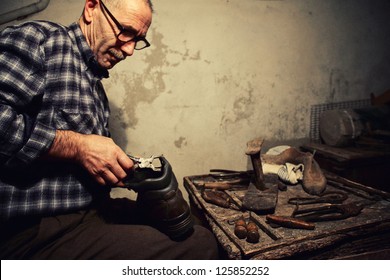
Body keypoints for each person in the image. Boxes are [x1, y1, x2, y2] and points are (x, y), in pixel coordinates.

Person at [0, 0, 218, 259]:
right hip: (30, 232)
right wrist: (78, 147)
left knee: (193, 224)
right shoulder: (39, 40)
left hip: (87, 212)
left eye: (138, 40)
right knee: (199, 245)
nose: (129, 50)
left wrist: (132, 171)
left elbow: (85, 162)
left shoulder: (95, 89)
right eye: (125, 31)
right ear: (92, 8)